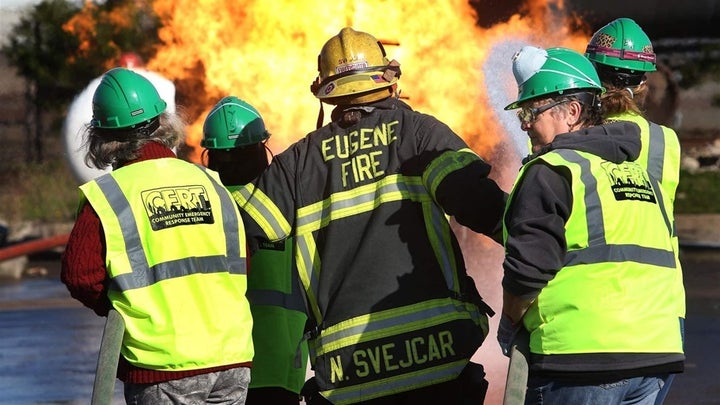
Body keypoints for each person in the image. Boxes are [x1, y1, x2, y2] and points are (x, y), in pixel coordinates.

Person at [232, 27, 506, 404]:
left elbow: (240, 232)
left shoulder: (296, 163)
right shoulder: (419, 134)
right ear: (389, 79)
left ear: (324, 91)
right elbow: (483, 206)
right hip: (438, 357)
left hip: (350, 373)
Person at [498, 45, 685, 404]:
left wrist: (508, 324)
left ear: (572, 111)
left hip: (581, 359)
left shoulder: (551, 171)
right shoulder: (636, 173)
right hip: (655, 354)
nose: (524, 123)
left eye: (532, 110)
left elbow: (527, 273)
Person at [60, 67, 254, 405]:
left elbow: (80, 275)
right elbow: (242, 260)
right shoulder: (210, 181)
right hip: (231, 358)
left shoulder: (109, 196)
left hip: (164, 365)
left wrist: (126, 305)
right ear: (163, 122)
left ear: (102, 138)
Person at [585, 18, 685, 403]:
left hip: (596, 323)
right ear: (643, 84)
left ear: (590, 74)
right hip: (662, 321)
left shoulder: (573, 138)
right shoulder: (666, 143)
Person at [201, 96, 309, 404]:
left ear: (212, 157)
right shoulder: (291, 203)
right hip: (281, 362)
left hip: (217, 363)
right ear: (262, 150)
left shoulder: (202, 209)